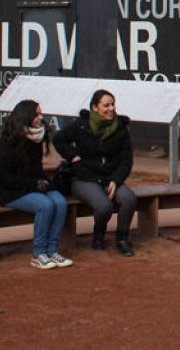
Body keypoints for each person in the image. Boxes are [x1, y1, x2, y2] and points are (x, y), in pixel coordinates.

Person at [0, 99, 73, 269]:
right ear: (26, 116)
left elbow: (36, 170)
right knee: (45, 205)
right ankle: (39, 253)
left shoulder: (37, 138)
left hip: (32, 187)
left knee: (59, 201)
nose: (41, 118)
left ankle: (52, 250)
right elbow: (4, 178)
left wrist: (45, 183)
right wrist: (36, 185)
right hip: (11, 192)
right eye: (37, 114)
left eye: (41, 113)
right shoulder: (7, 143)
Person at [54, 89, 137, 256]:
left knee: (128, 199)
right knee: (104, 206)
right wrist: (72, 156)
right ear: (94, 108)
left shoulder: (121, 128)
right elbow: (58, 139)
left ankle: (122, 239)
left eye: (113, 104)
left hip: (110, 177)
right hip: (84, 178)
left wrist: (115, 180)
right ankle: (98, 235)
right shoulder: (81, 125)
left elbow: (126, 160)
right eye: (106, 105)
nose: (111, 109)